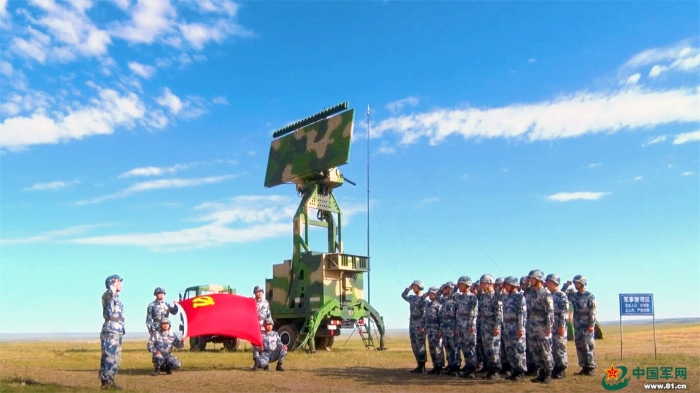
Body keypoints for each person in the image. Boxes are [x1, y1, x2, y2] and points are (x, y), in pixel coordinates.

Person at [527, 270, 554, 384]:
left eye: (532, 278)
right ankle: (541, 373)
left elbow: (550, 312)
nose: (530, 280)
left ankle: (548, 373)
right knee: (535, 350)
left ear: (538, 279)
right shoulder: (530, 293)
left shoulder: (546, 294)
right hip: (532, 326)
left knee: (545, 350)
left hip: (543, 327)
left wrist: (549, 328)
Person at [568, 275, 597, 376]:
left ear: (583, 283)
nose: (576, 284)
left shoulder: (590, 296)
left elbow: (593, 311)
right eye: (575, 282)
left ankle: (591, 367)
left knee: (588, 345)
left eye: (578, 282)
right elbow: (562, 294)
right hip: (577, 325)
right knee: (579, 346)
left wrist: (592, 324)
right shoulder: (574, 295)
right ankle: (584, 367)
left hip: (587, 324)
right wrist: (566, 285)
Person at [100, 274, 124, 391]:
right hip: (110, 329)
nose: (121, 284)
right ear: (114, 282)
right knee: (109, 356)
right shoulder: (108, 295)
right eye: (120, 281)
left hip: (117, 330)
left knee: (116, 357)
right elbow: (109, 295)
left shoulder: (116, 298)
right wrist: (113, 285)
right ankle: (105, 383)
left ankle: (111, 380)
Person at [478, 274, 503, 380]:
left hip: (492, 326)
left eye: (483, 283)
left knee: (494, 349)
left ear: (489, 284)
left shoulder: (495, 296)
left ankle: (496, 370)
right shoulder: (484, 296)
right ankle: (490, 369)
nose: (481, 286)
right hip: (484, 326)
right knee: (487, 349)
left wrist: (497, 327)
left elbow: (499, 313)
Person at [502, 276, 527, 381]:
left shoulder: (520, 297)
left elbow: (522, 314)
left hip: (516, 327)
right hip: (507, 327)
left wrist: (521, 328)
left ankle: (520, 371)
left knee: (518, 350)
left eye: (507, 285)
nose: (505, 287)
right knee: (509, 350)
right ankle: (514, 370)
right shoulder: (506, 297)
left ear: (513, 285)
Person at [546, 274, 569, 379]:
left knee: (560, 346)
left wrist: (562, 326)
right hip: (550, 325)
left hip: (559, 324)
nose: (547, 283)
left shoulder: (561, 295)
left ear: (555, 283)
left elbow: (564, 312)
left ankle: (561, 369)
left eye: (549, 282)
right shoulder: (548, 294)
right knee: (552, 347)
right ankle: (555, 367)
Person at [454, 276, 478, 379]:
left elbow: (473, 313)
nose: (459, 286)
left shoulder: (472, 297)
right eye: (458, 284)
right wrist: (455, 288)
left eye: (461, 284)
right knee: (464, 348)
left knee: (471, 348)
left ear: (467, 285)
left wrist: (471, 326)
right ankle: (468, 368)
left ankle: (472, 370)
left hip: (469, 327)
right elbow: (451, 297)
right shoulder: (459, 297)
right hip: (460, 327)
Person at [401, 280, 427, 373]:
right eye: (413, 286)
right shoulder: (412, 298)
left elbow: (425, 313)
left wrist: (423, 326)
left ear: (419, 287)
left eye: (415, 286)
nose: (414, 288)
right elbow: (403, 296)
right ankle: (418, 365)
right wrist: (408, 288)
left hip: (420, 325)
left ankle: (423, 365)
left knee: (421, 346)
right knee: (414, 345)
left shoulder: (423, 298)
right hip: (412, 325)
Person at [421, 287, 443, 375]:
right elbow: (421, 299)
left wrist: (441, 331)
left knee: (438, 349)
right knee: (432, 349)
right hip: (429, 330)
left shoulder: (439, 306)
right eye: (429, 293)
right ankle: (435, 366)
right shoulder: (428, 305)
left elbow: (441, 319)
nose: (430, 295)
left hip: (436, 330)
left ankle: (439, 367)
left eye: (432, 293)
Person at [438, 281, 459, 375]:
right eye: (446, 288)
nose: (447, 290)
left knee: (455, 348)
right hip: (445, 327)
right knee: (448, 348)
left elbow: (458, 315)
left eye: (449, 288)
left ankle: (456, 367)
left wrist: (457, 328)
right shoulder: (444, 300)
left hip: (453, 326)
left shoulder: (457, 298)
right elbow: (437, 297)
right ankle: (450, 365)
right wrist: (441, 288)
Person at [252, 285, 272, 370]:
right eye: (258, 291)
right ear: (255, 293)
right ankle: (256, 363)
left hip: (264, 326)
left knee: (265, 345)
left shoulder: (266, 303)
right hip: (254, 326)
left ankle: (265, 364)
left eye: (261, 291)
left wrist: (270, 324)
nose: (259, 293)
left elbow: (268, 314)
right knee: (255, 345)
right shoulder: (251, 302)